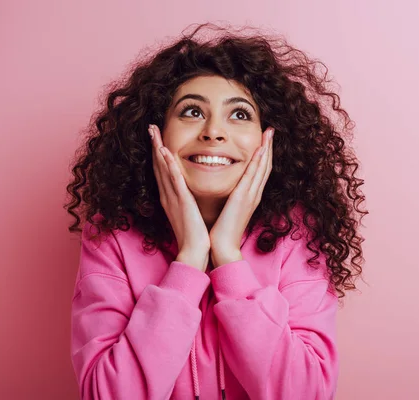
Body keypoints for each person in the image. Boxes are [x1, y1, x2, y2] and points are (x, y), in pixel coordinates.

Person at [65, 22, 367, 400]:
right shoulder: (113, 235)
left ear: (268, 139)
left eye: (240, 115)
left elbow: (306, 394)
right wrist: (190, 260)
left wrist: (227, 257)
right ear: (155, 132)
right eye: (191, 112)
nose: (214, 132)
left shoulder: (297, 234)